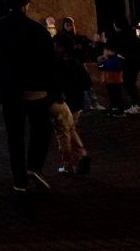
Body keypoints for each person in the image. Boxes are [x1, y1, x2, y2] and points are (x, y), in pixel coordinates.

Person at [0, 0, 54, 194]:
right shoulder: (38, 30)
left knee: (15, 135)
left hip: (8, 89)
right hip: (36, 89)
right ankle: (34, 166)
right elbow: (49, 62)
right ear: (27, 4)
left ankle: (19, 179)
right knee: (42, 129)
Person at [50, 32, 91, 176]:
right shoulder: (76, 62)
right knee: (70, 129)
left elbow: (55, 83)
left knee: (63, 133)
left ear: (60, 47)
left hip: (65, 102)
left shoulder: (58, 63)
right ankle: (82, 155)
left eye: (55, 44)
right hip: (78, 102)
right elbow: (87, 82)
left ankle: (68, 165)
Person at [97, 43, 125, 116]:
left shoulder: (118, 59)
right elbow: (101, 68)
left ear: (112, 51)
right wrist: (100, 63)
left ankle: (120, 111)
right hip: (109, 81)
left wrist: (104, 61)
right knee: (112, 95)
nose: (104, 52)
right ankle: (114, 108)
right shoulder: (109, 59)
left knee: (117, 95)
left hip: (116, 81)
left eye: (106, 51)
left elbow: (113, 67)